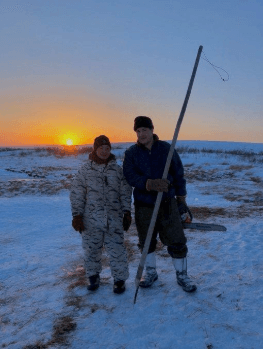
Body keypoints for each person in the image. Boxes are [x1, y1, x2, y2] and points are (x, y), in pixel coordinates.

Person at [123, 116, 196, 292]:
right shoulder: (132, 153)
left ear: (152, 130)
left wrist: (181, 200)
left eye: (144, 130)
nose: (141, 134)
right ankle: (150, 273)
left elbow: (178, 174)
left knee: (176, 239)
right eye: (138, 131)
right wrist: (148, 183)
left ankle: (182, 275)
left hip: (166, 203)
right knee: (146, 241)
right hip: (144, 204)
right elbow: (129, 175)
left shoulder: (166, 149)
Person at [70, 135, 132, 294]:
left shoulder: (118, 170)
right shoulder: (85, 170)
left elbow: (125, 192)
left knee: (117, 250)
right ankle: (93, 277)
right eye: (101, 148)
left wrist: (126, 212)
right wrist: (77, 215)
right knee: (91, 250)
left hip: (113, 219)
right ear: (95, 149)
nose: (104, 151)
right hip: (90, 219)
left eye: (107, 148)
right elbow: (77, 192)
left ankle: (119, 280)